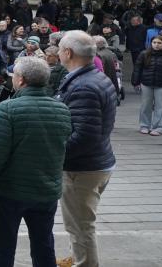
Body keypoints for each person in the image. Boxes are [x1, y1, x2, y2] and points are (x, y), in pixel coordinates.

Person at [0, 57, 72, 267]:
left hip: (11, 191)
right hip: (47, 188)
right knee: (43, 244)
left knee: (2, 246)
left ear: (21, 80)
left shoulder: (7, 109)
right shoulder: (61, 109)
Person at [55, 31, 118, 267]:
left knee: (80, 225)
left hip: (82, 169)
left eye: (60, 49)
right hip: (96, 162)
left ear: (68, 53)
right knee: (79, 222)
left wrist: (54, 154)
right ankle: (77, 257)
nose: (58, 52)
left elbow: (83, 136)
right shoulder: (94, 78)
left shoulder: (84, 86)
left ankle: (84, 262)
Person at [132, 36, 162, 135]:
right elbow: (138, 68)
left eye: (159, 43)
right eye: (154, 42)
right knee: (146, 105)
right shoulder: (144, 54)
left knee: (161, 106)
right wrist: (135, 82)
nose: (156, 45)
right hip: (146, 83)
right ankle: (144, 125)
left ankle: (159, 127)